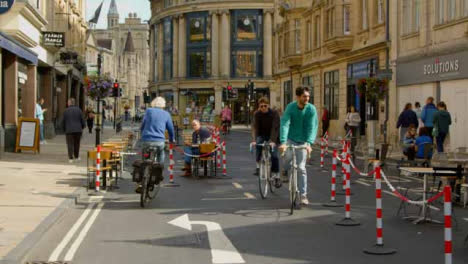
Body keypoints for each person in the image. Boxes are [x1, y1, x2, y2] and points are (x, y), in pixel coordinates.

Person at [279, 87, 319, 205]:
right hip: (291, 139)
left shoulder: (311, 109)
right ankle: (284, 170)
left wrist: (309, 143)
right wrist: (283, 142)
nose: (307, 98)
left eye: (308, 96)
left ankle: (303, 195)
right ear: (298, 97)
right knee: (287, 158)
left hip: (304, 141)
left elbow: (313, 127)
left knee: (301, 168)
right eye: (304, 96)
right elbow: (285, 123)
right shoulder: (290, 107)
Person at [251, 97, 281, 187]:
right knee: (258, 145)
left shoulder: (274, 113)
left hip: (273, 136)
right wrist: (254, 140)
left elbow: (275, 128)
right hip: (262, 135)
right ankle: (257, 166)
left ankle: (277, 176)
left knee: (274, 156)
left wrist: (272, 141)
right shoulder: (257, 114)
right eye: (261, 106)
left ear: (268, 105)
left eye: (265, 106)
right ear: (259, 106)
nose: (263, 108)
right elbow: (255, 127)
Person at [140, 97, 175, 165]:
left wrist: (142, 134)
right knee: (161, 154)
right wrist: (171, 139)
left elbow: (143, 124)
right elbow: (171, 129)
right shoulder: (166, 114)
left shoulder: (148, 111)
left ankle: (144, 166)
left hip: (146, 139)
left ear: (153, 103)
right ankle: (160, 168)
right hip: (159, 140)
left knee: (145, 155)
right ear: (163, 105)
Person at [62, 98, 85, 163]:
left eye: (68, 102)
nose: (67, 103)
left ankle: (70, 158)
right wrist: (82, 127)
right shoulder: (79, 110)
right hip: (78, 130)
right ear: (74, 103)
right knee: (77, 144)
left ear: (69, 103)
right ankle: (77, 156)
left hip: (69, 130)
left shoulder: (66, 111)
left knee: (70, 144)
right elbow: (82, 121)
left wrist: (64, 129)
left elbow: (63, 121)